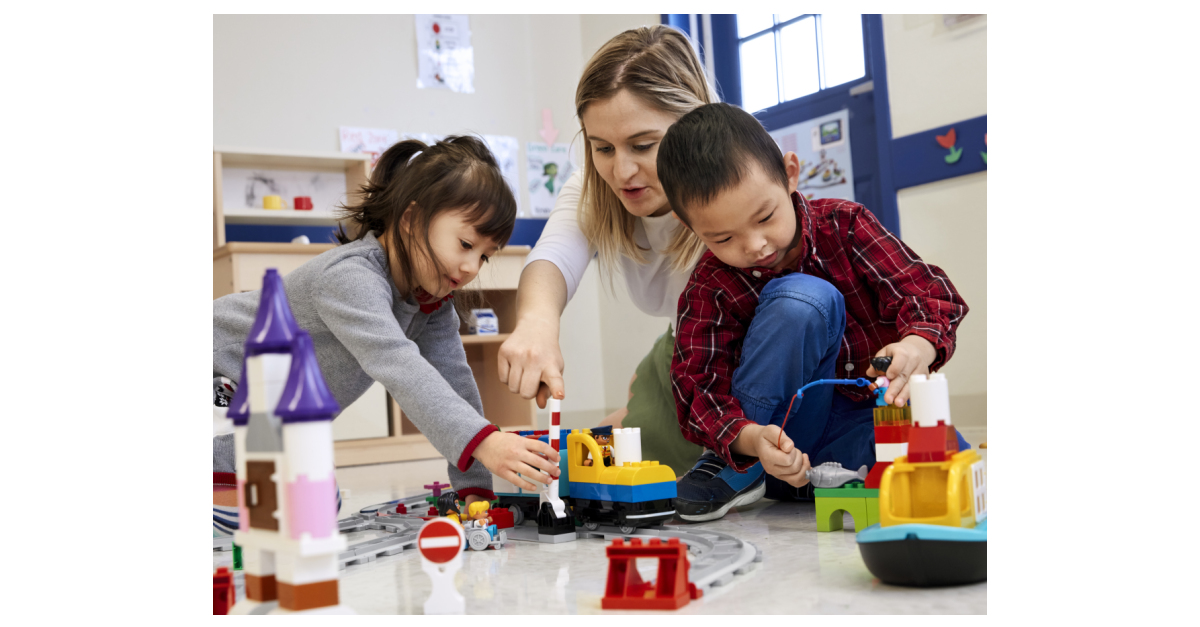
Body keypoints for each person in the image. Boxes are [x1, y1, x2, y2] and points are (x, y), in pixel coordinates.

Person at [212, 136, 561, 536]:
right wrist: (486, 442)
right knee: (286, 495)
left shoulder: (431, 302)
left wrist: (475, 489)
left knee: (314, 499)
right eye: (465, 243)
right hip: (219, 376)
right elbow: (398, 364)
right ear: (411, 219)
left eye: (484, 255)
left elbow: (454, 383)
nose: (470, 267)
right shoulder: (349, 277)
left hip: (265, 413)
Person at [657, 103, 971, 522]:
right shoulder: (711, 284)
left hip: (851, 431)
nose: (755, 245)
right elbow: (696, 384)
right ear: (689, 225)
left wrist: (918, 345)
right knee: (805, 299)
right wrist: (749, 438)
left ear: (790, 174)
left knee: (949, 462)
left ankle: (827, 484)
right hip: (764, 443)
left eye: (765, 217)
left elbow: (929, 293)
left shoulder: (846, 225)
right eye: (723, 237)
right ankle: (740, 473)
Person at [496, 25, 711, 477]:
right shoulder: (594, 189)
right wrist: (537, 324)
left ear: (693, 125)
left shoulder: (733, 180)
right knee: (596, 449)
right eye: (602, 148)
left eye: (643, 145)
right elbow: (553, 256)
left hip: (743, 354)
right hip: (685, 346)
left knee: (644, 440)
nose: (622, 170)